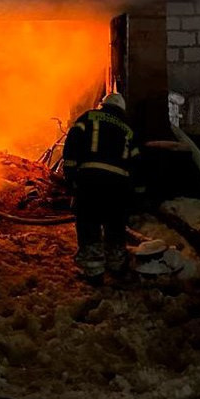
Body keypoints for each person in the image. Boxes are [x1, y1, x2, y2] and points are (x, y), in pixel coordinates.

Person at [62, 92, 140, 280]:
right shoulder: (128, 129)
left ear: (103, 105)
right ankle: (116, 265)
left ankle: (94, 271)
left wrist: (71, 176)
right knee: (115, 225)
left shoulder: (89, 118)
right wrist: (136, 192)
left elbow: (72, 143)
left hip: (90, 182)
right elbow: (136, 162)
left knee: (89, 223)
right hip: (118, 187)